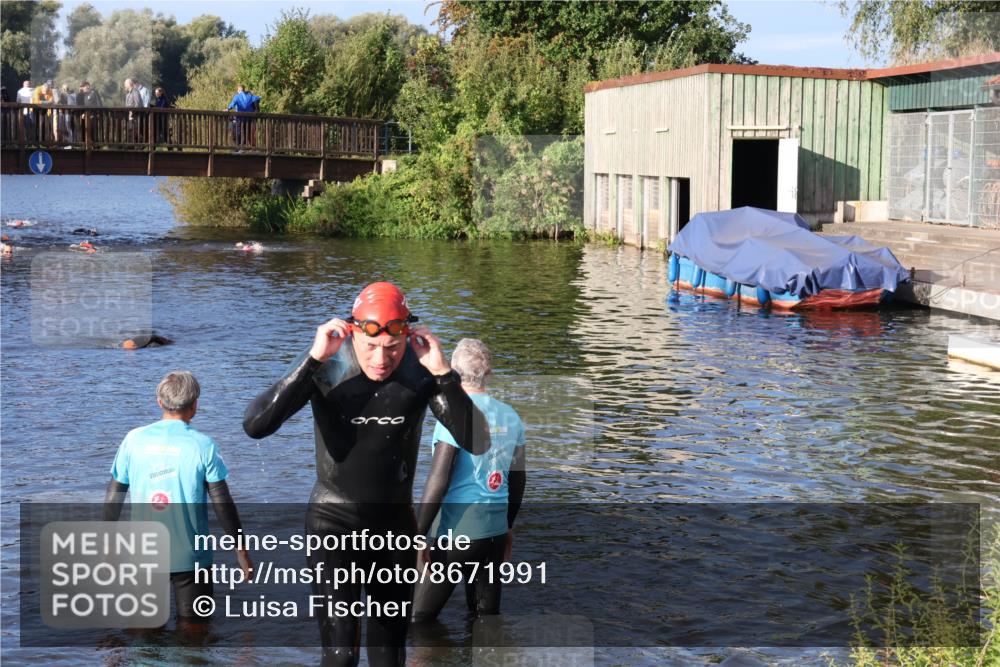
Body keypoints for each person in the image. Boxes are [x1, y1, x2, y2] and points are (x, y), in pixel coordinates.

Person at [243, 281, 490, 667]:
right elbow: (256, 425)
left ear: (406, 336)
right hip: (332, 521)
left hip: (393, 524)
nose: (381, 359)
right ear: (353, 331)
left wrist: (444, 374)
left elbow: (477, 442)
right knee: (341, 654)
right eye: (371, 346)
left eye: (392, 348)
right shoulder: (328, 363)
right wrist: (311, 361)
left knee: (388, 655)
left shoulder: (420, 369)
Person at [104, 371, 253, 628]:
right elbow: (222, 503)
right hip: (191, 557)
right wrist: (241, 552)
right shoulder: (203, 445)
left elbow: (113, 498)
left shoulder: (133, 440)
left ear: (159, 402)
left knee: (144, 634)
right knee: (195, 633)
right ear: (195, 405)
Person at [411, 339, 526, 622]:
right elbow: (518, 480)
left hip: (458, 534)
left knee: (417, 621)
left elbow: (439, 479)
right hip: (495, 533)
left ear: (452, 372)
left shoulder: (453, 416)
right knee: (485, 620)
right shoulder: (511, 416)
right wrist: (507, 526)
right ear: (488, 372)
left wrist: (418, 533)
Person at [226, 84, 260, 150]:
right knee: (247, 132)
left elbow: (233, 103)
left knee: (238, 132)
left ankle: (239, 146)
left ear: (238, 90)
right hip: (249, 118)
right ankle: (249, 147)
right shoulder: (250, 96)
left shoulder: (237, 96)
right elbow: (256, 100)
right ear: (244, 90)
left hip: (240, 118)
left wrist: (228, 108)